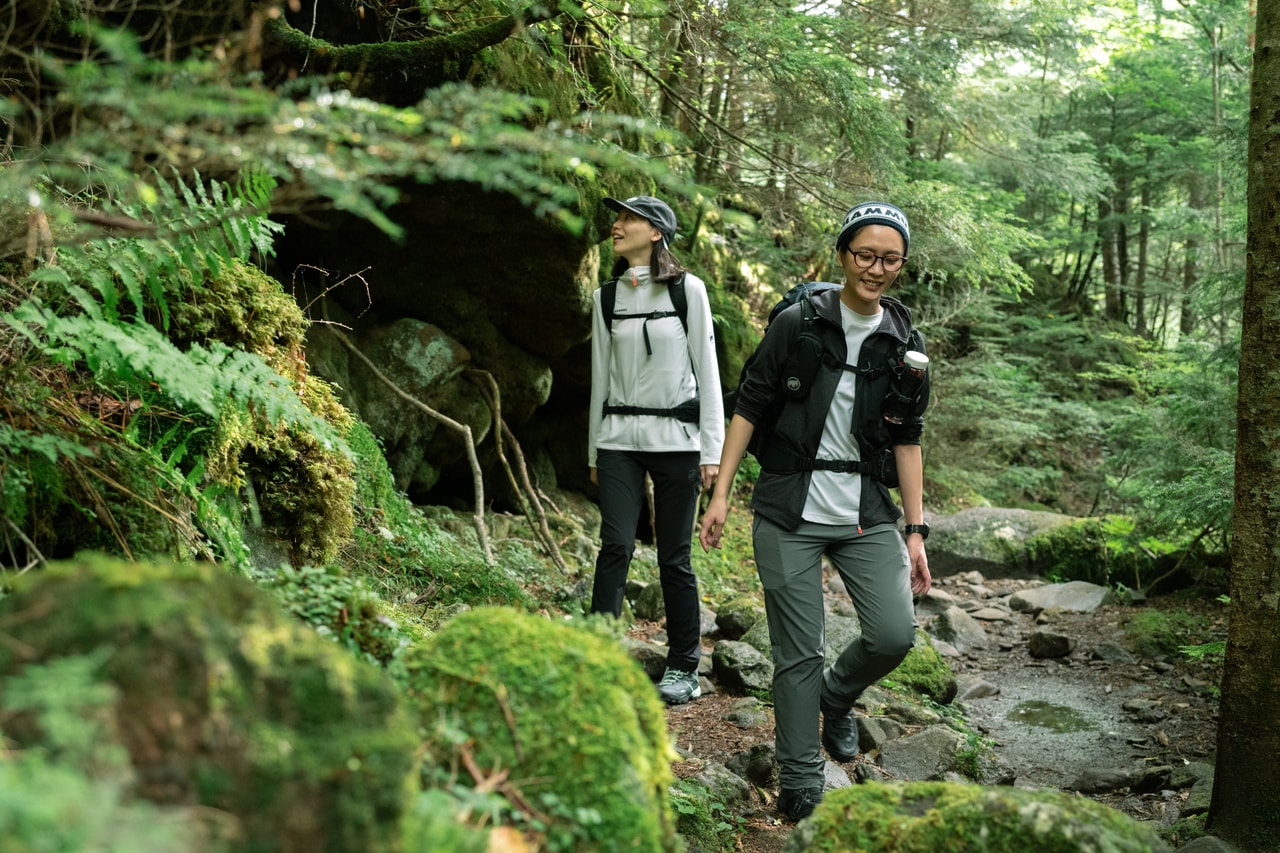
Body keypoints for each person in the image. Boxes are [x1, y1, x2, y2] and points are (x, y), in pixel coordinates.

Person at [698, 201, 932, 821]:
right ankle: (801, 780)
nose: (876, 268)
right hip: (787, 508)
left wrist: (915, 531)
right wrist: (721, 494)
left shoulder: (905, 344)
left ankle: (838, 693)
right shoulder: (797, 324)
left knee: (893, 634)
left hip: (865, 509)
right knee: (797, 653)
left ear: (901, 265)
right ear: (843, 256)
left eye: (890, 259)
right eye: (865, 255)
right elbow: (748, 405)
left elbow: (908, 438)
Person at [588, 194, 724, 705]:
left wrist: (711, 450)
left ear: (656, 232)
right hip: (618, 441)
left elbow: (708, 373)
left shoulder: (688, 291)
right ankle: (597, 654)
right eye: (617, 218)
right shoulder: (608, 297)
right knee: (615, 546)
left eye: (628, 219)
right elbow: (599, 377)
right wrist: (592, 452)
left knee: (674, 558)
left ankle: (684, 664)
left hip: (678, 444)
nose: (616, 226)